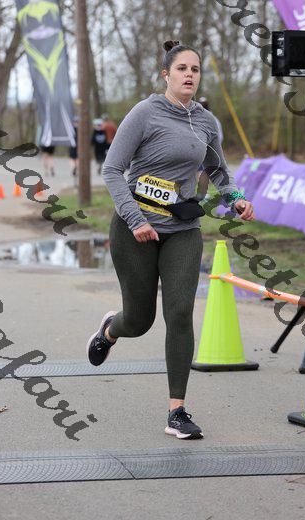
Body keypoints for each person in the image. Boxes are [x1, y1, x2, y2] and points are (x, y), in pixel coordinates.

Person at [86, 40, 254, 440]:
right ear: (166, 74)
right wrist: (135, 219)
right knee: (139, 321)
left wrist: (236, 198)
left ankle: (176, 411)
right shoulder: (145, 113)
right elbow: (112, 169)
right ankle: (111, 329)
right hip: (135, 230)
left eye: (195, 69)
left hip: (182, 230)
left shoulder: (207, 122)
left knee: (179, 313)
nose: (189, 75)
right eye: (182, 69)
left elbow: (218, 171)